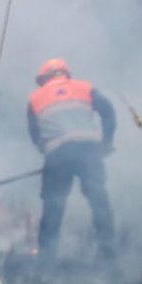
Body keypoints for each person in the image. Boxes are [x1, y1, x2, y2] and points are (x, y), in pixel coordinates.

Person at [27, 58, 116, 260]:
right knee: (98, 200)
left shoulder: (35, 98)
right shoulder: (85, 88)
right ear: (66, 73)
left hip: (57, 156)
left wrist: (45, 149)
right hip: (89, 151)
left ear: (44, 79)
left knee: (53, 205)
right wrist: (107, 142)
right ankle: (108, 253)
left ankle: (47, 259)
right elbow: (109, 112)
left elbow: (34, 132)